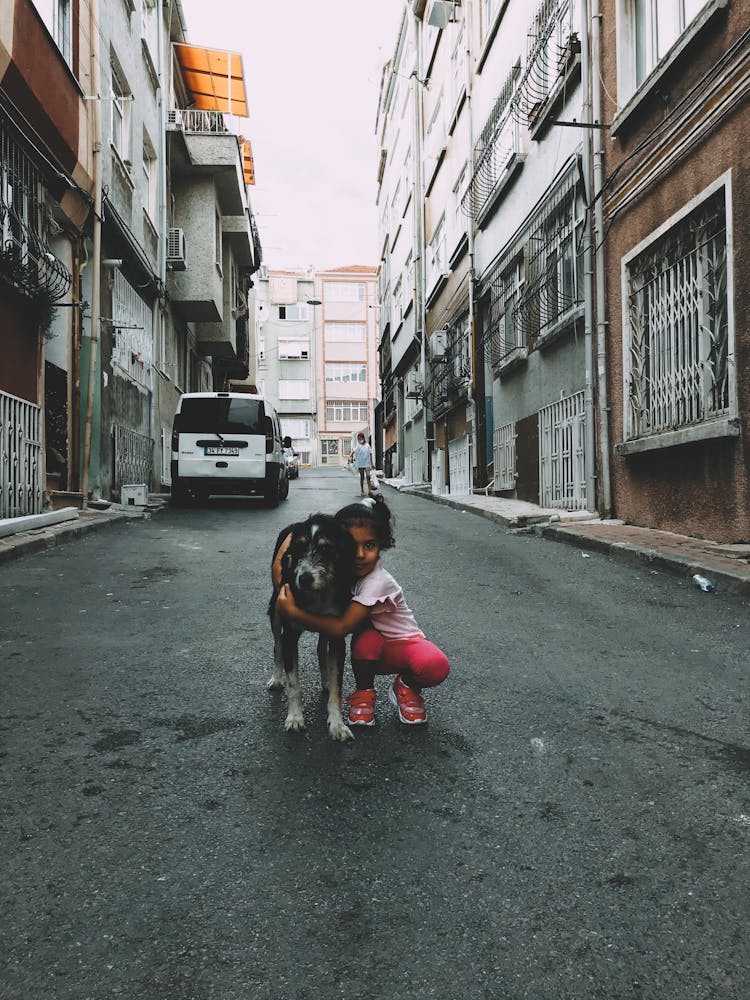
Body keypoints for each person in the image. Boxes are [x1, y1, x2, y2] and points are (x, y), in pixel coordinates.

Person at [275, 497, 450, 727]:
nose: (358, 554)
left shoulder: (377, 581)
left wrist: (294, 614)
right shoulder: (348, 572)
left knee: (432, 663)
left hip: (404, 644)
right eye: (352, 546)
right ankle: (364, 693)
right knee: (364, 643)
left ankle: (405, 686)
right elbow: (288, 551)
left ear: (382, 545)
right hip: (374, 644)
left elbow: (341, 629)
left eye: (369, 545)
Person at [348, 432, 375, 498]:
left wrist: (372, 464)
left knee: (368, 476)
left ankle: (369, 491)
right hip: (360, 464)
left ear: (363, 438)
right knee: (362, 477)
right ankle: (362, 491)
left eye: (359, 438)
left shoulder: (367, 445)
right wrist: (350, 457)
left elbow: (370, 454)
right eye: (358, 439)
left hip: (367, 464)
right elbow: (352, 452)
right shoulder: (358, 446)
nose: (359, 440)